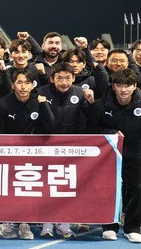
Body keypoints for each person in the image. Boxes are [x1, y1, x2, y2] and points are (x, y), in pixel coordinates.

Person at [87, 69, 141, 244]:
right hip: (108, 156)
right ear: (113, 86)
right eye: (119, 85)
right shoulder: (101, 105)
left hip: (135, 154)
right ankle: (109, 226)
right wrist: (110, 132)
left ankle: (133, 227)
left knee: (138, 189)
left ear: (134, 86)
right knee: (107, 189)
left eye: (127, 86)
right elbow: (90, 129)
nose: (123, 90)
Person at [0, 69, 54, 239]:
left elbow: (51, 128)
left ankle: (24, 224)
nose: (23, 87)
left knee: (26, 190)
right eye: (19, 82)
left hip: (31, 156)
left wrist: (44, 106)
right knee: (7, 190)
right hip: (8, 154)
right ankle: (5, 223)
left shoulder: (39, 102)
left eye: (27, 83)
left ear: (33, 85)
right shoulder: (3, 104)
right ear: (13, 85)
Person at [35, 62, 93, 238]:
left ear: (74, 78)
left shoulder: (80, 93)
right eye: (59, 78)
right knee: (46, 186)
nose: (64, 82)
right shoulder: (40, 93)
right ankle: (46, 224)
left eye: (68, 78)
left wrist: (92, 103)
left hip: (71, 149)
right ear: (52, 79)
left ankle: (64, 224)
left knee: (66, 186)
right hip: (45, 148)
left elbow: (91, 119)